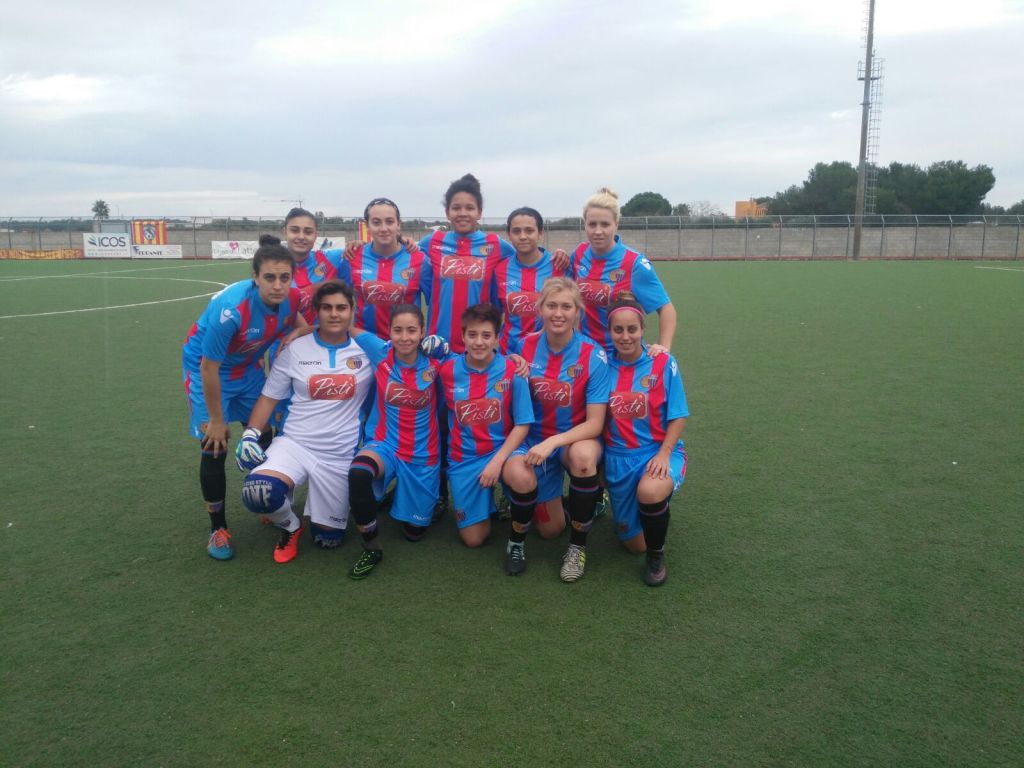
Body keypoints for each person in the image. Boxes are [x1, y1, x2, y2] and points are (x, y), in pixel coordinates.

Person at [182, 234, 303, 560]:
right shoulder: (230, 310)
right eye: (269, 277)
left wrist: (297, 331)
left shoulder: (293, 298)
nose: (278, 285)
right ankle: (217, 528)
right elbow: (208, 367)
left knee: (264, 433)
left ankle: (266, 497)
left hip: (247, 369)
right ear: (255, 277)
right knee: (215, 444)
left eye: (284, 277)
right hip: (209, 371)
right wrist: (217, 420)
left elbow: (304, 325)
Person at [234, 280, 373, 563]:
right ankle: (290, 526)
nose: (334, 314)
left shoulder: (368, 350)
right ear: (317, 312)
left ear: (352, 311)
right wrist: (250, 434)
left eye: (341, 308)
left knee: (328, 539)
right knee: (258, 492)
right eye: (326, 308)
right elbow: (269, 398)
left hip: (338, 453)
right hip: (295, 444)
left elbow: (406, 353)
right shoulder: (295, 349)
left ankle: (321, 514)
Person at [501, 277, 609, 581]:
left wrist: (553, 442)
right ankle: (516, 541)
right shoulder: (523, 345)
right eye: (551, 306)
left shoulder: (593, 355)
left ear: (578, 312)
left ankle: (577, 548)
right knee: (550, 529)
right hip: (532, 439)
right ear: (540, 309)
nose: (558, 313)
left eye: (566, 306)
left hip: (572, 439)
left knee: (583, 458)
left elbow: (595, 423)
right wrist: (511, 362)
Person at [345, 304, 444, 579]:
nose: (404, 337)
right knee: (359, 473)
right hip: (384, 444)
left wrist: (516, 360)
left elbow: (477, 360)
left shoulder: (437, 361)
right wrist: (300, 331)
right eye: (398, 330)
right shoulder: (380, 351)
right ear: (388, 332)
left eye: (412, 330)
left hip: (423, 453)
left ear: (422, 332)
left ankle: (399, 494)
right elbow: (343, 325)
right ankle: (371, 546)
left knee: (414, 533)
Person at [603, 298, 689, 586]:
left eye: (632, 329)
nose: (625, 336)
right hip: (618, 458)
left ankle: (656, 555)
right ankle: (646, 514)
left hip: (657, 451)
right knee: (633, 545)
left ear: (643, 329)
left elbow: (678, 415)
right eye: (618, 330)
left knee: (650, 492)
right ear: (609, 331)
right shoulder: (602, 365)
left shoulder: (662, 362)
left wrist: (664, 453)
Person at [437, 304, 534, 547]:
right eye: (472, 335)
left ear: (497, 338)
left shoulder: (513, 370)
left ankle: (516, 542)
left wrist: (496, 462)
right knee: (474, 539)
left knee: (522, 478)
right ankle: (486, 503)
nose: (479, 342)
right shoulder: (446, 370)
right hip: (465, 457)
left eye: (486, 335)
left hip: (505, 451)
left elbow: (523, 424)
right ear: (462, 336)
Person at [572, 188, 677, 354]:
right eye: (592, 224)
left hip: (621, 356)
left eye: (605, 224)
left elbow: (666, 308)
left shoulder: (634, 263)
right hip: (586, 354)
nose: (598, 231)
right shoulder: (579, 254)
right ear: (584, 224)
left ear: (616, 224)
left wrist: (664, 347)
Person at [491, 206, 571, 354]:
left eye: (529, 230)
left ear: (540, 233)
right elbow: (495, 312)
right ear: (509, 234)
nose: (522, 236)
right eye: (516, 231)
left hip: (547, 355)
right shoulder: (500, 270)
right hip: (509, 354)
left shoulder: (559, 266)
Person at [347, 198, 428, 339]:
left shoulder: (419, 260)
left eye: (389, 222)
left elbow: (436, 302)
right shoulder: (352, 257)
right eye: (376, 222)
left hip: (405, 345)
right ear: (367, 226)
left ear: (398, 224)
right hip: (364, 345)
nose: (384, 228)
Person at [281, 207, 351, 324]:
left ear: (315, 235)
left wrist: (357, 244)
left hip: (326, 334)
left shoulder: (329, 259)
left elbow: (361, 250)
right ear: (284, 232)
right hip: (287, 335)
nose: (301, 236)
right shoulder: (274, 269)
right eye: (295, 230)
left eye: (308, 232)